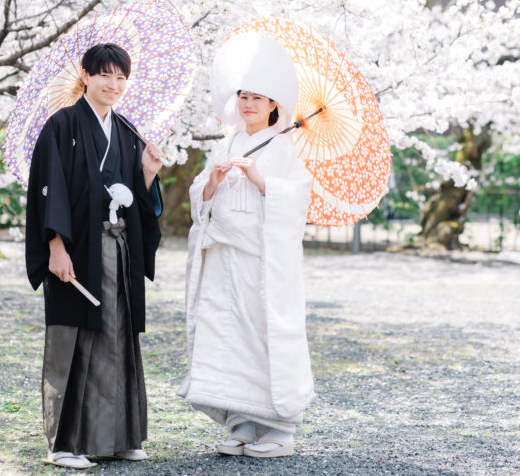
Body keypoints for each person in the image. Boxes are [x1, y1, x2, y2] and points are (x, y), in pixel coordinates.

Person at [25, 43, 165, 470]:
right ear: (85, 75)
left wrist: (147, 173)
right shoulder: (62, 125)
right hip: (78, 251)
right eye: (105, 75)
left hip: (119, 251)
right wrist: (55, 247)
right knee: (75, 340)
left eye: (122, 77)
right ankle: (65, 443)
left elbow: (138, 199)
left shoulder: (125, 130)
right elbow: (50, 188)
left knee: (118, 335)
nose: (114, 84)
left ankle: (121, 436)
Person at [178, 53, 314, 459]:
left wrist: (262, 181)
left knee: (262, 334)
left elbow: (299, 199)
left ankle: (278, 428)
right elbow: (198, 196)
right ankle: (241, 422)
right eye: (243, 96)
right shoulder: (229, 141)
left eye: (258, 98)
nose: (249, 104)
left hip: (261, 262)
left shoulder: (284, 148)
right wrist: (212, 182)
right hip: (223, 257)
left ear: (274, 105)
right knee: (226, 335)